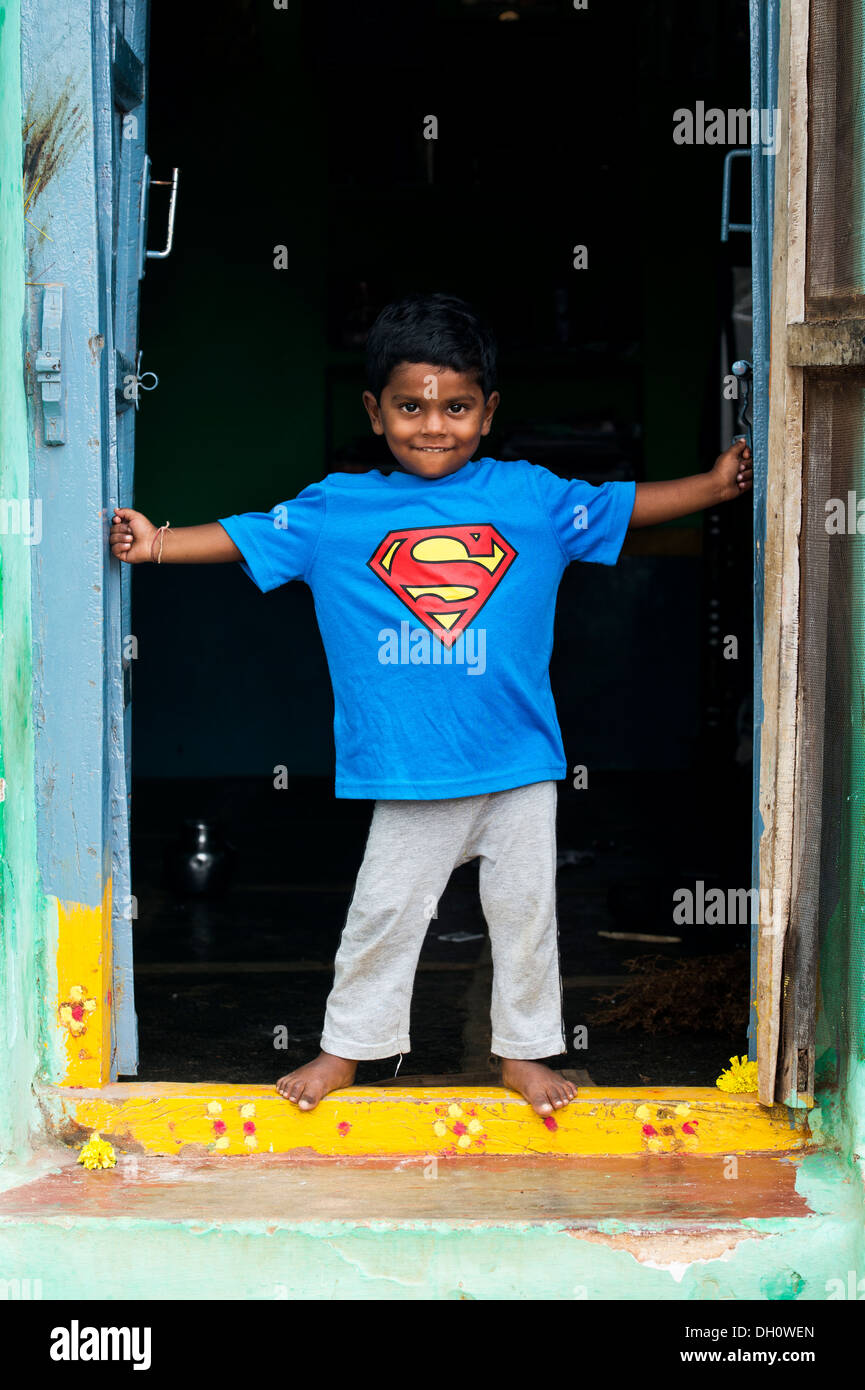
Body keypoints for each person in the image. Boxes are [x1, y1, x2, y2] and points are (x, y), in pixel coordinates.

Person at [110, 292, 752, 1117]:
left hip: (518, 761)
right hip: (413, 772)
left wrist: (710, 484)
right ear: (375, 412)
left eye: (455, 406)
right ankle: (348, 1049)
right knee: (382, 914)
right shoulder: (339, 507)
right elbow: (245, 534)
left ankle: (522, 1053)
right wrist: (156, 542)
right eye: (410, 407)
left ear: (488, 412)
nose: (433, 425)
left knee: (525, 920)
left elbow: (623, 503)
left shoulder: (531, 498)